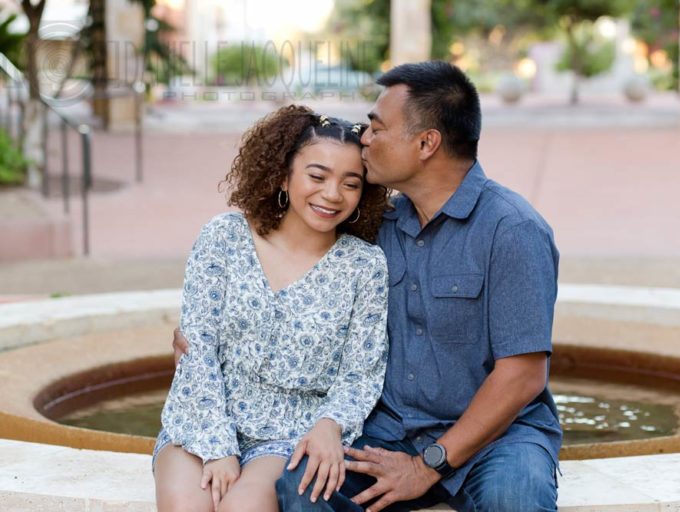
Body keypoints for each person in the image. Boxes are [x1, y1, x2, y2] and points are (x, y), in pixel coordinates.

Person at [176, 61, 561, 512]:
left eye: (377, 127)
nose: (365, 138)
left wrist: (425, 467)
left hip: (498, 439)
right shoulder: (375, 225)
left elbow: (522, 376)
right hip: (387, 432)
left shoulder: (512, 230)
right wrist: (203, 338)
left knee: (515, 498)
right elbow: (296, 282)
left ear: (425, 143)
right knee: (302, 483)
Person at [155, 105, 391, 512]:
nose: (332, 194)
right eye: (317, 176)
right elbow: (197, 349)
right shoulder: (224, 237)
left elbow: (361, 373)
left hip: (289, 434)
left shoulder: (364, 266)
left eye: (350, 184)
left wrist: (329, 425)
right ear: (284, 175)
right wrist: (218, 447)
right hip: (201, 418)